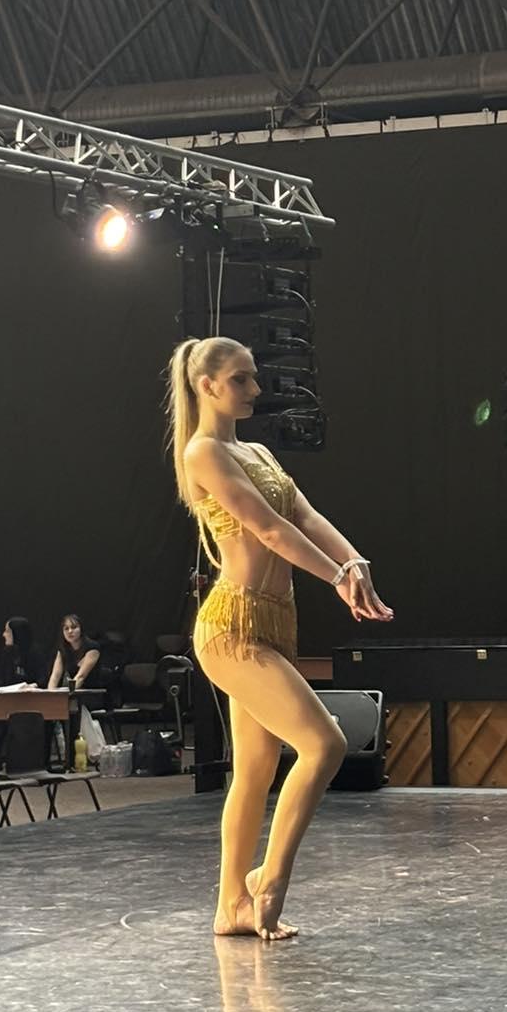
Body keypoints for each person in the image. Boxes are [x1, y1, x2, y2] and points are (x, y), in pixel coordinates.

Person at [167, 336, 391, 943]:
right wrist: (336, 576)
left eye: (254, 377)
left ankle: (230, 906)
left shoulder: (257, 451)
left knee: (255, 770)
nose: (256, 389)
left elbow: (304, 517)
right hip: (232, 628)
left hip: (274, 623)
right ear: (207, 385)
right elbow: (267, 529)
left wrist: (354, 560)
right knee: (324, 744)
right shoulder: (203, 452)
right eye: (241, 379)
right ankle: (269, 881)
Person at [49, 614, 101, 690]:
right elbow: (55, 675)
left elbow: (81, 676)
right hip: (75, 689)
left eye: (74, 627)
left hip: (93, 690)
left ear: (81, 629)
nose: (70, 631)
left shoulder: (92, 647)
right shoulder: (63, 649)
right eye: (66, 628)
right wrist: (50, 694)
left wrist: (68, 693)